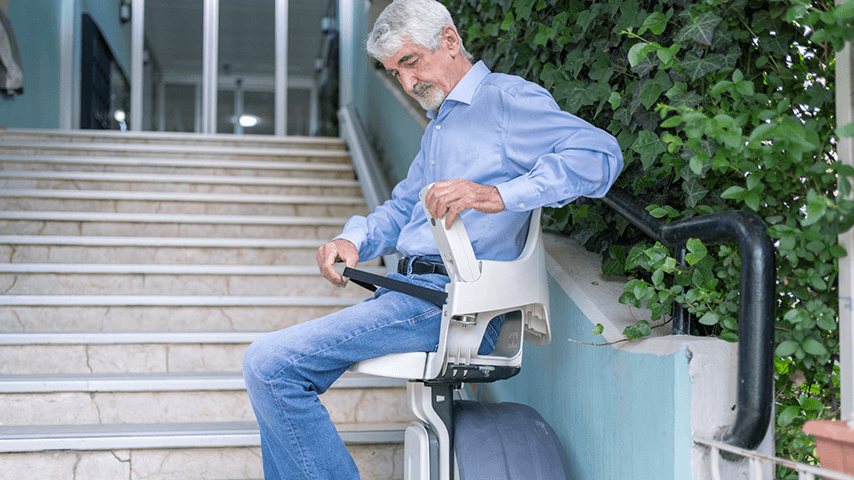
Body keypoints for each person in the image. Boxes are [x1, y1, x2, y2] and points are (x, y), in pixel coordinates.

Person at [242, 0, 624, 478]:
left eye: (410, 62)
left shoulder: (505, 101)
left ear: (449, 41)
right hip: (411, 294)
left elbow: (601, 154)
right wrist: (353, 239)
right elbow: (405, 206)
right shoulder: (440, 127)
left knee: (270, 365)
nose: (406, 84)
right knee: (272, 368)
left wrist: (497, 194)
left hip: (452, 302)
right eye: (393, 72)